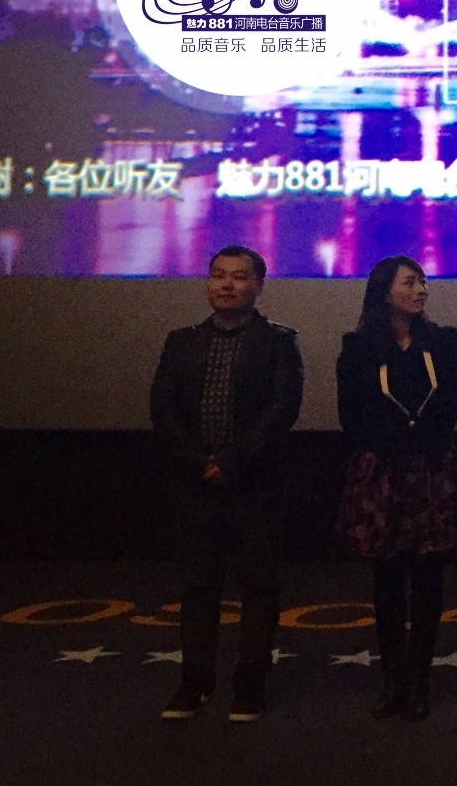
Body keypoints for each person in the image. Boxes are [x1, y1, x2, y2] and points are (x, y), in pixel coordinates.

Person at [150, 244, 304, 723]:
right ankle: (194, 683)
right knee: (198, 588)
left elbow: (282, 409)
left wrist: (231, 463)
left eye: (239, 277)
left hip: (257, 485)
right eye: (218, 275)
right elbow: (163, 408)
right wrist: (201, 462)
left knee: (259, 588)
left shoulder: (279, 343)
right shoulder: (182, 342)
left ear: (258, 285)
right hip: (195, 485)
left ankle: (249, 685)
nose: (227, 285)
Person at [336, 255, 457, 721]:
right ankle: (392, 677)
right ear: (385, 290)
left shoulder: (444, 341)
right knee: (388, 579)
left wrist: (420, 447)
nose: (421, 290)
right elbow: (351, 414)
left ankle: (419, 678)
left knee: (429, 577)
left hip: (430, 469)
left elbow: (449, 407)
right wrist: (390, 450)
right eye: (410, 282)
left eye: (423, 282)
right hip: (382, 472)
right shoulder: (359, 347)